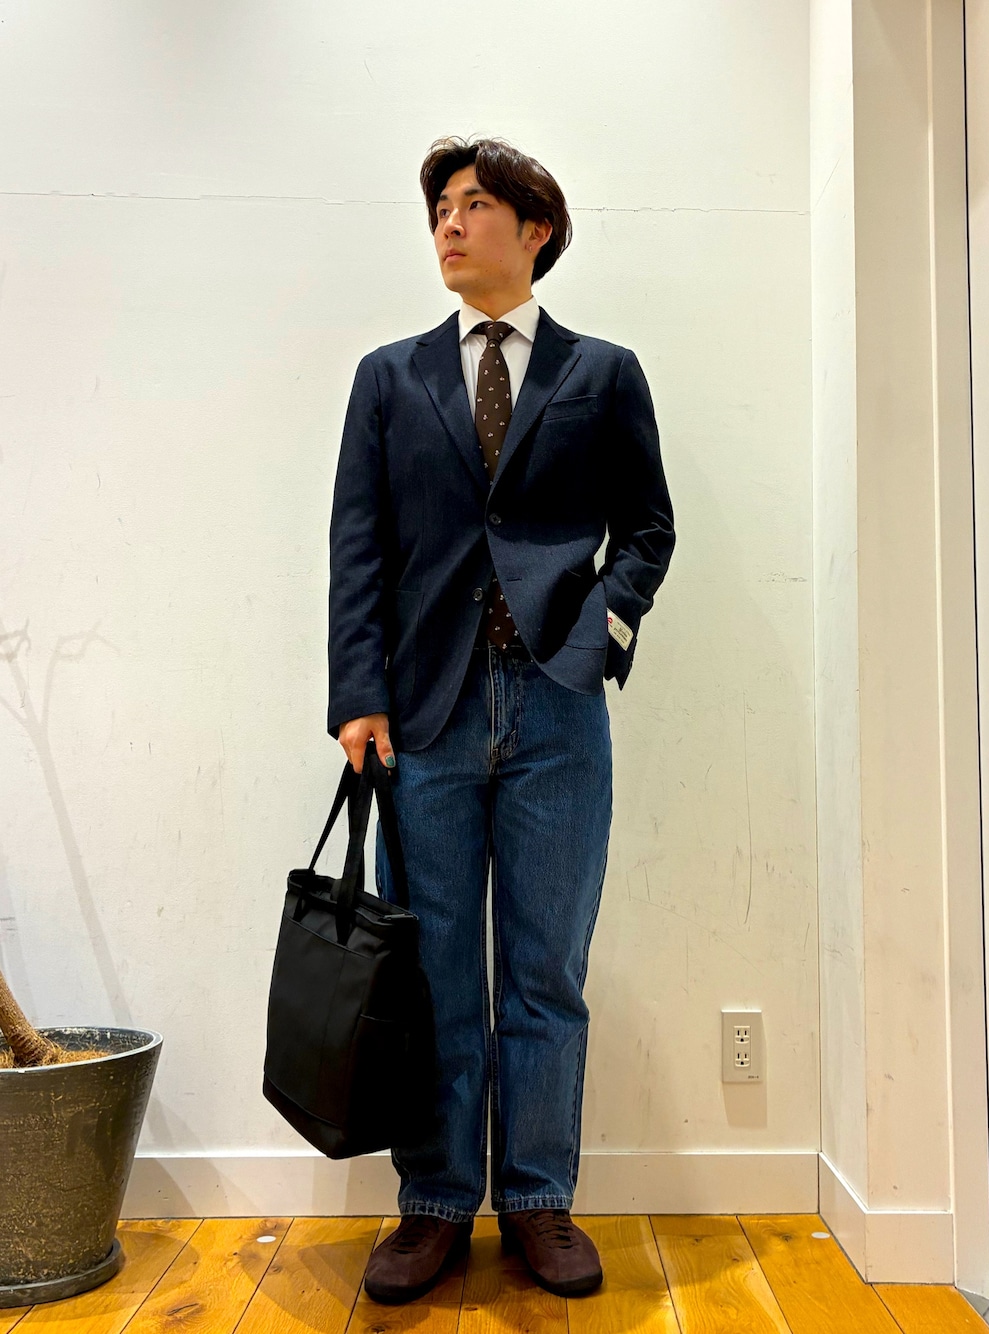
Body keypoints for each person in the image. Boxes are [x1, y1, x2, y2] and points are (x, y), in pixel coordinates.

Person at [327, 136, 675, 1306]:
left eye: (473, 203)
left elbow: (648, 531)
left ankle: (536, 1196)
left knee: (544, 970)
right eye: (438, 205)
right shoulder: (389, 377)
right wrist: (357, 691)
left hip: (555, 708)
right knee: (432, 974)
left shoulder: (602, 372)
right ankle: (434, 1201)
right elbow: (358, 546)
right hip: (422, 714)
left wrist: (597, 634)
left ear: (535, 229)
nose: (447, 221)